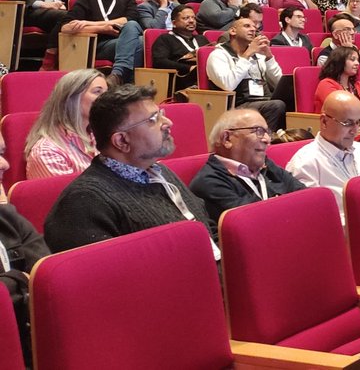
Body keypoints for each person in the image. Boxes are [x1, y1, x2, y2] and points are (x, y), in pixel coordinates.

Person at [43, 84, 218, 255]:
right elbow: (111, 278)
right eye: (152, 120)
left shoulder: (160, 172)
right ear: (122, 141)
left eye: (161, 114)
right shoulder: (83, 204)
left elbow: (207, 228)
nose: (168, 123)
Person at [188, 108, 306, 220]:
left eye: (267, 132)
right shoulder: (209, 182)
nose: (267, 139)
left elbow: (307, 198)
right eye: (259, 131)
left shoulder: (266, 166)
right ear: (227, 139)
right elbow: (257, 222)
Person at [286, 90, 360, 222]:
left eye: (358, 122)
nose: (355, 130)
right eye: (347, 123)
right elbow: (309, 220)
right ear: (324, 121)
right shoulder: (305, 163)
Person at [0, 130, 51, 363]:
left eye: (1, 153)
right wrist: (21, 280)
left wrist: (11, 284)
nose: (6, 164)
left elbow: (45, 274)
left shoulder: (7, 216)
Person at [59, 0, 145, 84]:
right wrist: (102, 29)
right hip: (98, 45)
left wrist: (89, 24)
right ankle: (127, 84)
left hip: (122, 41)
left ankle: (118, 74)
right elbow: (66, 27)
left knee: (135, 31)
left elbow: (129, 19)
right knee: (139, 43)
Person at [205, 16, 287, 130]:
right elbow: (228, 85)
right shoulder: (218, 55)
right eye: (247, 26)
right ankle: (266, 141)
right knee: (276, 105)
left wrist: (269, 57)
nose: (253, 29)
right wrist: (246, 55)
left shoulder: (258, 55)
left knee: (289, 100)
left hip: (263, 99)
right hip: (236, 104)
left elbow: (279, 82)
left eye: (254, 27)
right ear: (233, 31)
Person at [24, 69, 107, 177]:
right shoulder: (47, 152)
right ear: (72, 98)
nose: (107, 98)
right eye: (97, 92)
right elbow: (73, 194)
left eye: (106, 92)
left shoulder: (98, 137)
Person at [150, 4, 202, 89]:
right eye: (186, 18)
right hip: (181, 79)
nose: (191, 21)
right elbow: (159, 62)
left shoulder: (201, 39)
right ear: (174, 23)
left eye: (193, 18)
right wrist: (189, 68)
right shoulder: (165, 39)